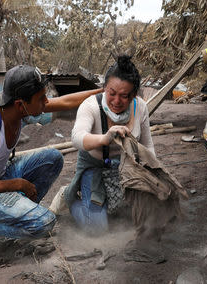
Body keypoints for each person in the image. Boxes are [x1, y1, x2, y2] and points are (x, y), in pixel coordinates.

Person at [0, 65, 103, 257]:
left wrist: (104, 92)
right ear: (21, 104)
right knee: (44, 224)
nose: (46, 102)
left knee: (53, 158)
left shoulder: (17, 109)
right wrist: (17, 184)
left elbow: (65, 101)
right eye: (41, 99)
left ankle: (17, 217)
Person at [63, 55, 155, 235]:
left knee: (144, 217)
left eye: (124, 96)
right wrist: (105, 139)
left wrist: (152, 174)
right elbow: (77, 137)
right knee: (97, 229)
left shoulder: (141, 108)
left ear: (134, 95)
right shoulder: (90, 106)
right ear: (104, 87)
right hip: (94, 167)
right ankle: (71, 199)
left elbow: (148, 146)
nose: (116, 101)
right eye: (111, 93)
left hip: (125, 168)